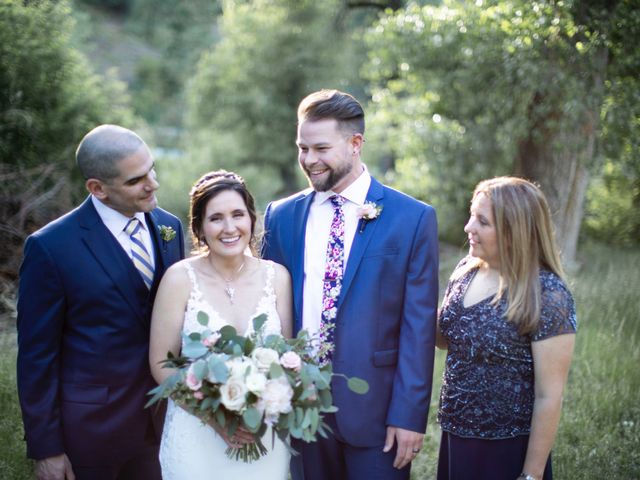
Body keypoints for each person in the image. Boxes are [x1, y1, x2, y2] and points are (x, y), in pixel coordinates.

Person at [262, 89, 439, 480]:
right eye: (302, 148)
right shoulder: (281, 216)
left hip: (377, 417)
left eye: (320, 148)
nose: (309, 160)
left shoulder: (412, 219)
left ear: (355, 143)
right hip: (298, 409)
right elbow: (266, 309)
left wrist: (409, 415)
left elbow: (418, 327)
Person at [16, 124, 185, 480]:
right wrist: (47, 448)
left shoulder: (170, 227)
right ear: (98, 188)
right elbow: (37, 357)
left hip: (163, 427)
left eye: (151, 169)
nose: (152, 183)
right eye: (136, 180)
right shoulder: (51, 247)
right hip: (90, 435)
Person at [149, 170, 293, 480]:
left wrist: (264, 405)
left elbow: (289, 361)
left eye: (238, 215)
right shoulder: (178, 278)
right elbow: (162, 363)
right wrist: (215, 418)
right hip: (196, 435)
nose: (229, 228)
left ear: (251, 219)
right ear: (199, 226)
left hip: (262, 437)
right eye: (216, 218)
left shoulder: (277, 277)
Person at [435, 176, 577, 480]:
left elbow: (549, 395)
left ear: (515, 232)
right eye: (472, 215)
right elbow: (446, 338)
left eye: (482, 221)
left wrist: (531, 475)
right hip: (456, 437)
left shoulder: (547, 294)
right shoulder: (465, 271)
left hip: (507, 448)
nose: (468, 227)